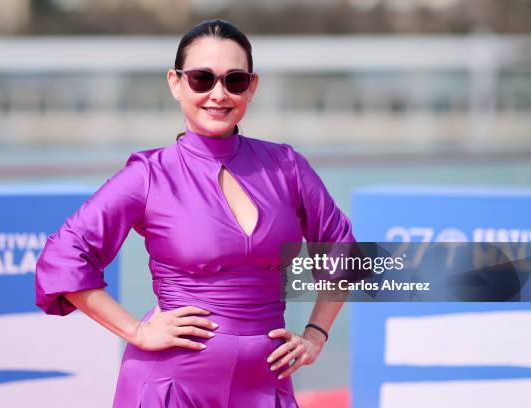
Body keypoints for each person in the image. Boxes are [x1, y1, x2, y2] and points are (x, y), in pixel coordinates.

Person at [35, 19, 355, 408]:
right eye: (202, 79)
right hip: (170, 383)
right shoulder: (149, 175)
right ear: (176, 82)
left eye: (234, 80)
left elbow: (342, 249)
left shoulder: (286, 166)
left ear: (252, 87)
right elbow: (64, 256)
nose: (218, 94)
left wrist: (317, 333)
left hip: (264, 385)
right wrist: (136, 331)